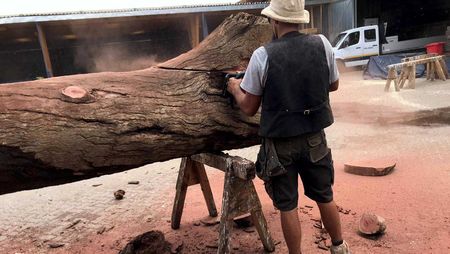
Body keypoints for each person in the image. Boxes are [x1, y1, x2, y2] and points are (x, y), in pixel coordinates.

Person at [226, 0, 350, 253]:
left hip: (280, 145)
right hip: (315, 138)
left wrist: (235, 89)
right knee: (325, 196)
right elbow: (333, 85)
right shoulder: (323, 44)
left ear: (275, 20)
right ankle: (339, 247)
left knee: (288, 206)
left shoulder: (263, 55)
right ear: (298, 19)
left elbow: (249, 107)